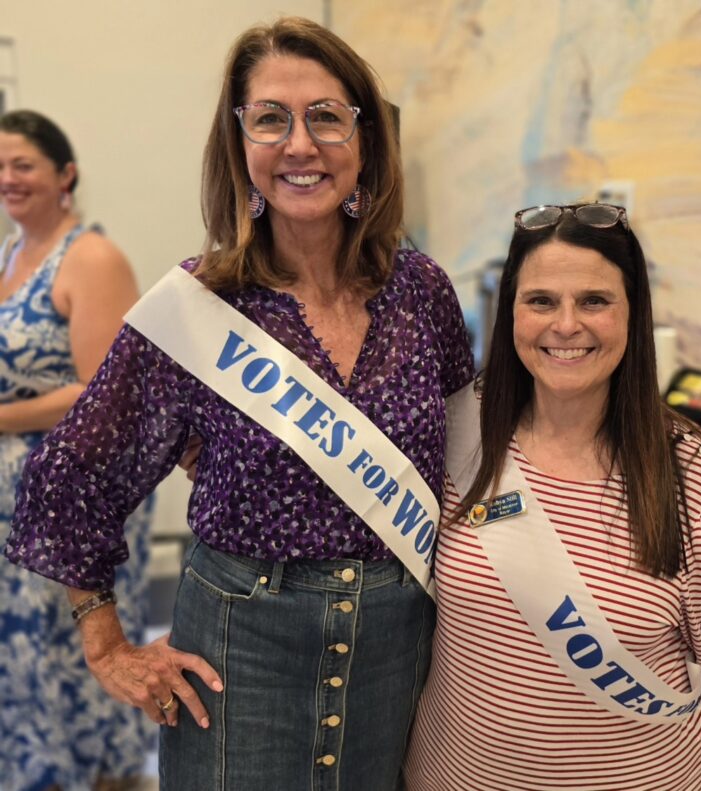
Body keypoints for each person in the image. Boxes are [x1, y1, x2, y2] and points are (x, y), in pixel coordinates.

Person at [5, 17, 473, 791]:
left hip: (396, 648)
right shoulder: (197, 306)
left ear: (365, 140)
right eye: (269, 118)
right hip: (239, 651)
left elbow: (467, 455)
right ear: (240, 142)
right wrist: (107, 643)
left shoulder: (422, 292)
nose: (300, 145)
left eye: (326, 115)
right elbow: (72, 475)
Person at [404, 203, 701, 791]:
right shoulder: (456, 433)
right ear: (511, 313)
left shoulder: (699, 484)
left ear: (633, 314)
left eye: (595, 301)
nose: (566, 325)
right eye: (541, 301)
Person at [0, 110, 153, 791]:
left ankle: (99, 779)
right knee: (21, 662)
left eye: (23, 164)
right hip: (14, 507)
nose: (8, 179)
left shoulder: (90, 257)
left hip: (71, 503)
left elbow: (102, 390)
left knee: (70, 660)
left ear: (65, 175)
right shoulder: (9, 254)